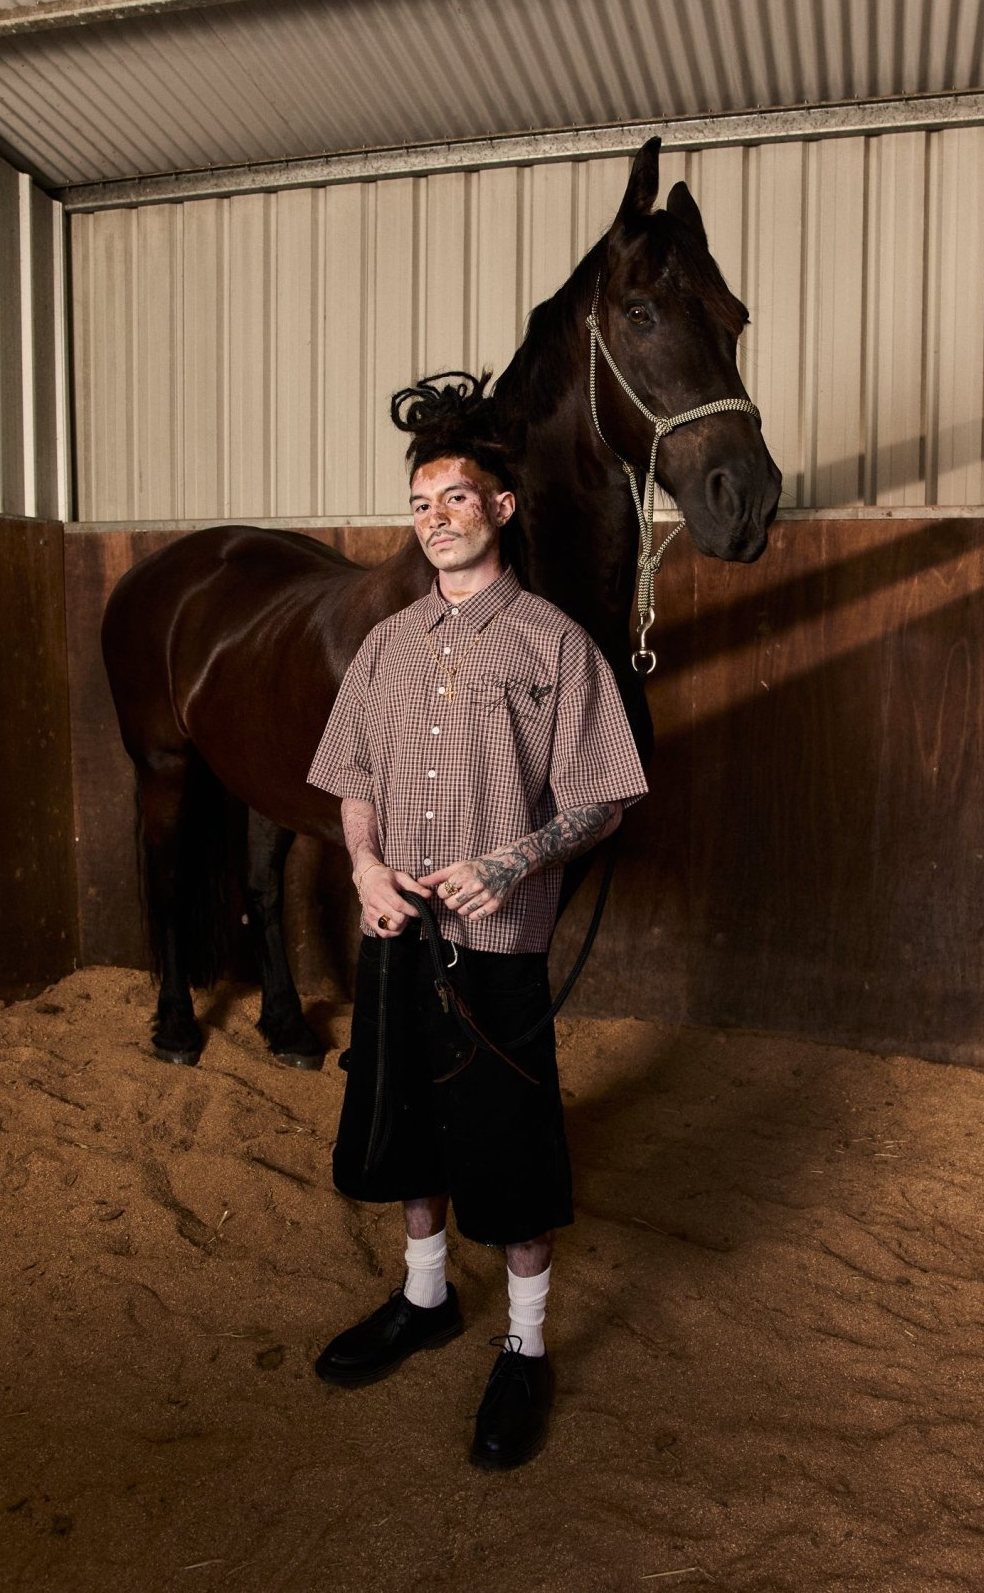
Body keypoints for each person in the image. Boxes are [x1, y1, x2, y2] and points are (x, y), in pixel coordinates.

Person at [306, 374, 648, 1469]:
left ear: (499, 509)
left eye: (457, 498)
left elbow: (604, 790)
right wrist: (362, 864)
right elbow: (350, 775)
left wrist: (515, 856)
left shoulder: (555, 645)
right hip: (396, 934)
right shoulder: (384, 645)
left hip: (496, 949)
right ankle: (423, 1297)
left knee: (505, 1152)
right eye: (420, 504)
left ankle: (526, 1342)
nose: (437, 518)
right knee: (404, 1122)